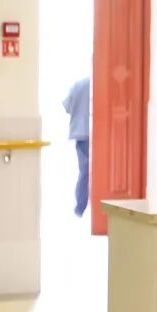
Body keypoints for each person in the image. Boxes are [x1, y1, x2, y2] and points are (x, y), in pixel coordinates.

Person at [62, 76, 90, 217]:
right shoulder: (102, 83)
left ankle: (80, 207)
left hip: (81, 133)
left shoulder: (78, 85)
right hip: (99, 133)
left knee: (84, 171)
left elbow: (67, 106)